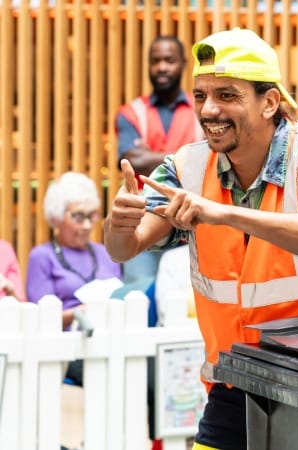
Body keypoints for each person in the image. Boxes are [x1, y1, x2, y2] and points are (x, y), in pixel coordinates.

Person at [104, 28, 298, 450]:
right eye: (200, 95)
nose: (209, 109)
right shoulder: (188, 166)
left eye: (227, 95)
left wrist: (224, 213)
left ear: (269, 102)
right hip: (235, 384)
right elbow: (127, 247)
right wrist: (118, 224)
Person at [115, 35, 204, 285]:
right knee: (139, 298)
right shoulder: (131, 112)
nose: (162, 67)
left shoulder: (202, 110)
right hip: (141, 222)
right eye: (155, 61)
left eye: (169, 60)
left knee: (185, 304)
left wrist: (148, 155)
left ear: (183, 64)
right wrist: (187, 155)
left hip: (190, 222)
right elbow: (130, 161)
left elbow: (212, 159)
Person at [26, 171, 122, 385]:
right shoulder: (42, 256)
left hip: (112, 336)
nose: (87, 225)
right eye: (78, 217)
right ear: (56, 218)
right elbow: (40, 317)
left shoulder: (106, 253)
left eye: (92, 216)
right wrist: (80, 313)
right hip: (68, 346)